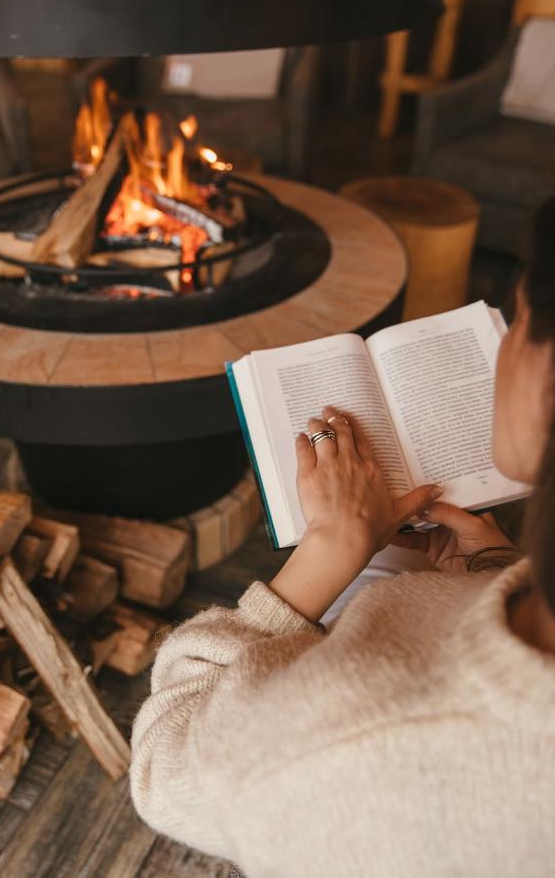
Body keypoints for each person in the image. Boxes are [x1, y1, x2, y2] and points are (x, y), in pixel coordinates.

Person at [129, 197, 555, 878]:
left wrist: (326, 547)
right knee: (391, 552)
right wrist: (496, 568)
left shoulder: (352, 727)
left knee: (371, 564)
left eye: (517, 318)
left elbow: (162, 765)